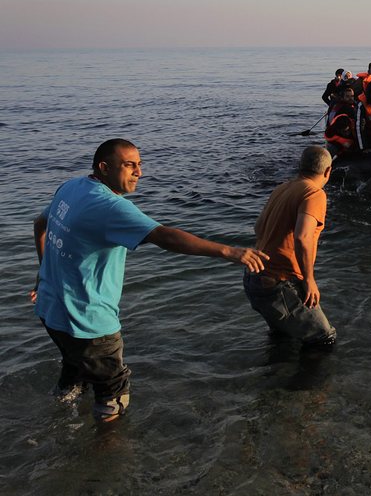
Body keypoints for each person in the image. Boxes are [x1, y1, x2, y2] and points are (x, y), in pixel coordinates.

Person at [30, 138, 269, 422]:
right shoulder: (109, 207)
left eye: (140, 165)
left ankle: (57, 422)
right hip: (89, 324)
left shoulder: (71, 188)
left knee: (74, 371)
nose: (139, 173)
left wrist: (42, 276)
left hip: (49, 311)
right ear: (104, 168)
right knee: (113, 393)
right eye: (129, 165)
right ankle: (107, 455)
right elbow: (164, 236)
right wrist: (229, 251)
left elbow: (39, 224)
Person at [243, 146, 337, 348]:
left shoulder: (282, 188)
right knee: (323, 337)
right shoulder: (314, 194)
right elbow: (303, 237)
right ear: (328, 171)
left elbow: (258, 228)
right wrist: (309, 280)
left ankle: (276, 377)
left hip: (253, 279)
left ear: (300, 166)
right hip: (277, 283)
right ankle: (313, 380)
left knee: (283, 338)